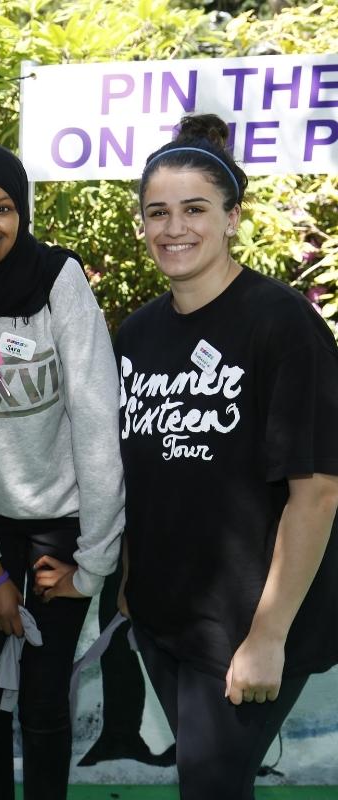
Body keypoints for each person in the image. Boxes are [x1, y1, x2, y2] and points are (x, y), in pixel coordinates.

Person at [115, 113, 338, 799]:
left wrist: (268, 635)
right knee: (207, 780)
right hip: (163, 615)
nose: (173, 228)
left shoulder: (281, 325)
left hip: (251, 622)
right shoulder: (137, 334)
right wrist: (128, 584)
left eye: (194, 209)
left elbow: (318, 491)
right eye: (157, 212)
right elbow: (142, 477)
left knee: (209, 785)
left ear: (232, 217)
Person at [0, 143, 124, 799]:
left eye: (3, 207)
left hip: (66, 530)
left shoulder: (57, 280)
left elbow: (97, 418)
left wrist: (92, 564)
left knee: (44, 701)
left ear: (23, 212)